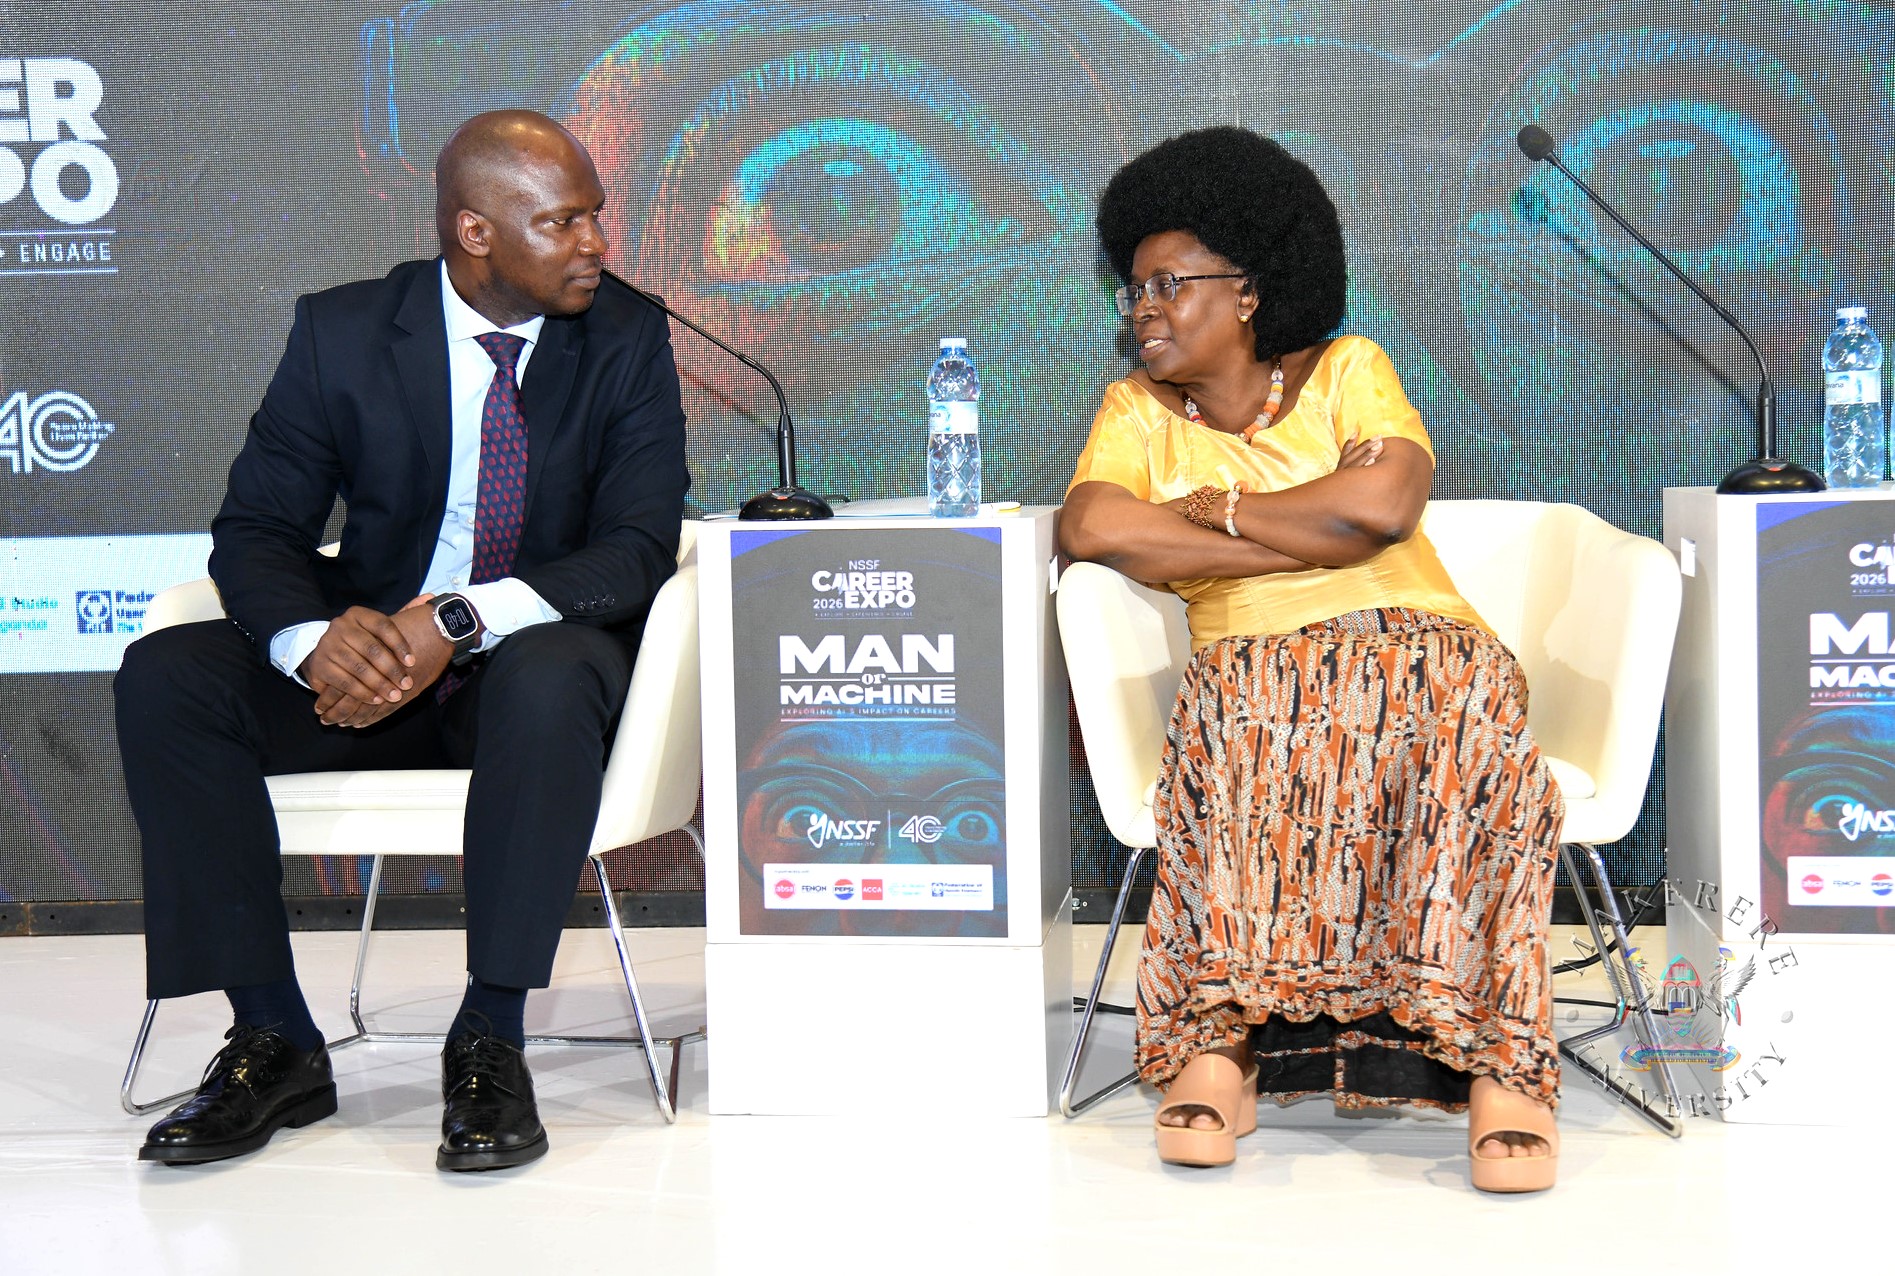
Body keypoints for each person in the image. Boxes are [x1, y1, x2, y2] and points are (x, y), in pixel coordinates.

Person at [113, 109, 689, 1173]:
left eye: (594, 218)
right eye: (561, 223)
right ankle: (274, 1035)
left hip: (522, 667)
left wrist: (459, 618)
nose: (595, 245)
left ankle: (490, 1037)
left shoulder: (625, 334)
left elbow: (637, 547)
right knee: (167, 673)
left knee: (555, 672)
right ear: (477, 233)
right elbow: (256, 529)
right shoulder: (343, 331)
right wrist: (310, 641)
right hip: (368, 663)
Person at [1058, 126, 1565, 1193]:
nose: (1140, 308)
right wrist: (1296, 529)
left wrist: (1222, 510)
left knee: (1455, 701)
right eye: (1129, 290)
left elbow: (1383, 505)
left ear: (1246, 289)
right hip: (1246, 656)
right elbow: (1095, 527)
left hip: (1419, 638)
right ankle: (1220, 1045)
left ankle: (1497, 1067)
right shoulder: (1134, 414)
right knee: (1250, 708)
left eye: (1165, 282)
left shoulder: (1346, 368)